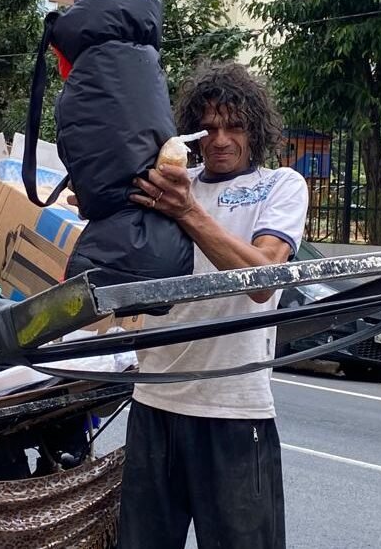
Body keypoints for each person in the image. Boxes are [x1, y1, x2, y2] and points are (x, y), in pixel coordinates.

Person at [117, 60, 309, 549]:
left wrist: (187, 211)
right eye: (211, 127)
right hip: (155, 400)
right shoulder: (173, 182)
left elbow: (262, 278)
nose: (221, 139)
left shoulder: (280, 186)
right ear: (193, 133)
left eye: (235, 126)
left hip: (234, 409)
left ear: (256, 131)